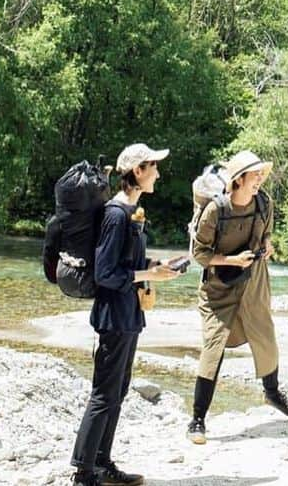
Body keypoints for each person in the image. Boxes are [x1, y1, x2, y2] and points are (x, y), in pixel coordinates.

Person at [70, 144, 185, 486]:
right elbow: (105, 273)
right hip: (113, 316)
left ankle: (102, 465)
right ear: (138, 171)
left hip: (128, 314)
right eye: (154, 167)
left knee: (117, 391)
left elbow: (126, 264)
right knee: (104, 394)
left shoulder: (132, 213)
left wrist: (156, 267)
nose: (159, 174)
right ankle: (84, 473)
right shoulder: (116, 214)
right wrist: (150, 276)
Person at [186, 149, 288, 444]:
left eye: (262, 173)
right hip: (217, 287)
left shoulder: (264, 203)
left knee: (265, 335)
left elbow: (267, 235)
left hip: (255, 279)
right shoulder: (215, 211)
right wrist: (231, 261)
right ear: (238, 180)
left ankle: (272, 394)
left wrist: (268, 248)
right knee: (214, 348)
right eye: (255, 174)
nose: (260, 178)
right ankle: (197, 420)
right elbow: (199, 254)